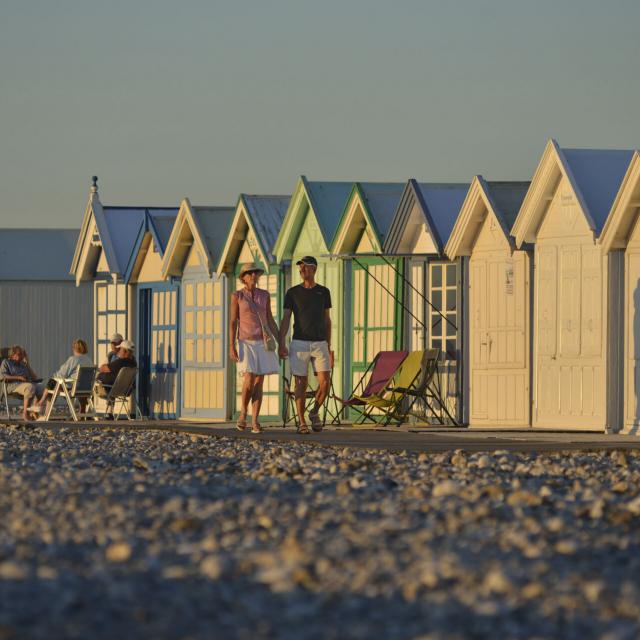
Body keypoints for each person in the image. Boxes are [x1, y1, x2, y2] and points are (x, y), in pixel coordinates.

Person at [279, 256, 332, 434]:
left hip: (320, 343)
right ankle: (302, 422)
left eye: (305, 267)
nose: (301, 270)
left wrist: (328, 345)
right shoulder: (292, 293)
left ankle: (314, 412)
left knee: (325, 383)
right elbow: (286, 319)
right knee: (300, 383)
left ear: (314, 269)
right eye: (300, 267)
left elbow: (327, 320)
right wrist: (281, 342)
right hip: (299, 343)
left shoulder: (324, 292)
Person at [229, 262, 281, 434]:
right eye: (249, 273)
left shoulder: (264, 295)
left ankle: (255, 421)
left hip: (263, 342)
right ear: (243, 277)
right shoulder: (237, 296)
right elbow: (233, 321)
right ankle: (243, 413)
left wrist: (281, 341)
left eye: (255, 273)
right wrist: (231, 346)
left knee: (260, 382)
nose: (252, 276)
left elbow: (270, 320)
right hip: (245, 342)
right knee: (249, 378)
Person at [34, 338, 93, 417]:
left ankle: (42, 406)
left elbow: (61, 375)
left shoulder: (73, 359)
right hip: (85, 389)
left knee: (52, 382)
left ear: (74, 349)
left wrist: (55, 376)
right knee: (56, 383)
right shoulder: (89, 360)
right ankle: (82, 413)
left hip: (72, 388)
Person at [0, 345, 43, 421]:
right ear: (13, 355)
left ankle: (33, 411)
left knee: (41, 388)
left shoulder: (23, 364)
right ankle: (25, 413)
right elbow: (2, 376)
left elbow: (34, 377)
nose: (22, 356)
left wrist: (28, 364)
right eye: (20, 354)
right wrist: (18, 377)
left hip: (25, 384)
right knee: (29, 387)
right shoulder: (6, 362)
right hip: (11, 385)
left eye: (22, 355)